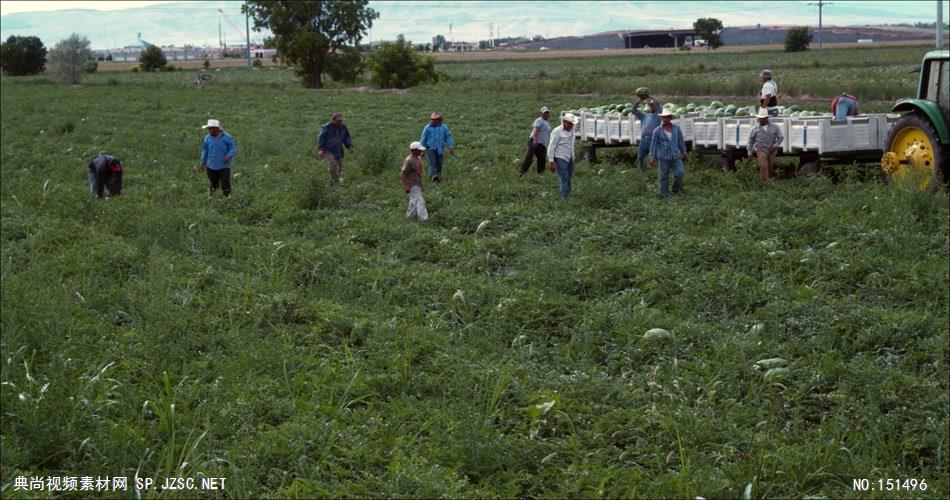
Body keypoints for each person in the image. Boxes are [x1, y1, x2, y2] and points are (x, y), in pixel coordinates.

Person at [649, 109, 688, 197]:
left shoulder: (676, 129)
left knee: (680, 173)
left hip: (676, 156)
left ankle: (675, 190)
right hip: (663, 157)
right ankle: (663, 195)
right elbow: (653, 145)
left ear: (670, 118)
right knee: (663, 177)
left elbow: (681, 142)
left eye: (666, 117)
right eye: (663, 117)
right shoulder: (657, 131)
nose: (664, 119)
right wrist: (652, 157)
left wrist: (684, 153)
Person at [747, 107, 784, 186]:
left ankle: (764, 182)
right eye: (760, 118)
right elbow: (750, 141)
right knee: (763, 165)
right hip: (760, 149)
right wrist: (749, 153)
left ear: (766, 118)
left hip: (771, 150)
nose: (760, 120)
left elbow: (780, 137)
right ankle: (767, 183)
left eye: (762, 118)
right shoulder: (755, 128)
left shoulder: (775, 127)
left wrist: (774, 146)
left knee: (769, 167)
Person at [199, 119, 237, 197]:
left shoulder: (227, 137)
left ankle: (227, 197)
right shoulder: (207, 138)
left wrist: (228, 156)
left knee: (225, 183)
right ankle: (212, 197)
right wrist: (203, 162)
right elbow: (205, 150)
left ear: (216, 128)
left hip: (224, 166)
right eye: (208, 129)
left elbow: (233, 148)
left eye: (211, 129)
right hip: (211, 165)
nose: (209, 130)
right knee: (213, 183)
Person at [317, 112, 353, 185]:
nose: (340, 122)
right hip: (328, 150)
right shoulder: (326, 127)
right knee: (333, 165)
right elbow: (321, 138)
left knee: (339, 166)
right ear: (333, 120)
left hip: (338, 150)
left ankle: (334, 182)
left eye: (341, 120)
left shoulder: (343, 127)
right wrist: (321, 149)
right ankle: (336, 182)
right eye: (338, 121)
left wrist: (349, 146)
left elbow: (346, 137)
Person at [547, 113, 578, 199]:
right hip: (560, 157)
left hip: (569, 157)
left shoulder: (572, 130)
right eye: (569, 123)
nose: (571, 125)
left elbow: (571, 144)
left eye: (572, 124)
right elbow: (551, 146)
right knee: (564, 177)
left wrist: (573, 156)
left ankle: (567, 193)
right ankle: (565, 197)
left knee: (568, 177)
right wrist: (551, 161)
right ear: (564, 122)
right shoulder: (557, 131)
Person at [419, 111, 454, 183]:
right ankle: (433, 176)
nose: (432, 121)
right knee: (432, 162)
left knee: (439, 162)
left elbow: (448, 136)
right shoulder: (428, 128)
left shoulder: (444, 127)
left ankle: (438, 175)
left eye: (434, 119)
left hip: (440, 148)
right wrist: (421, 149)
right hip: (430, 148)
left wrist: (450, 146)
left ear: (439, 120)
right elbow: (423, 138)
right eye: (432, 119)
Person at [632, 96, 663, 171]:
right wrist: (638, 101)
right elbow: (633, 110)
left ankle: (656, 172)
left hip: (653, 140)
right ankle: (643, 171)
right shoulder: (644, 115)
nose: (652, 107)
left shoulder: (658, 115)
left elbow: (658, 104)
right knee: (640, 157)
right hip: (643, 140)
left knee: (654, 158)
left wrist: (650, 97)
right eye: (650, 105)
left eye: (653, 105)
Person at [519, 106, 551, 176]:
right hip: (536, 142)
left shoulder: (547, 123)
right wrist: (535, 140)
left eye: (547, 113)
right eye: (545, 113)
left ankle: (541, 173)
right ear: (541, 114)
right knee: (529, 157)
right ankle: (522, 172)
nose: (546, 114)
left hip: (542, 144)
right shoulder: (539, 120)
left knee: (542, 159)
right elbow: (535, 129)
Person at [401, 141, 429, 221]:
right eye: (419, 150)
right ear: (413, 150)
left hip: (418, 183)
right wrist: (406, 185)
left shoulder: (418, 157)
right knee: (420, 201)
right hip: (412, 184)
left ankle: (409, 217)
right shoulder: (409, 161)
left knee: (413, 201)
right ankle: (424, 219)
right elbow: (403, 173)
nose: (421, 151)